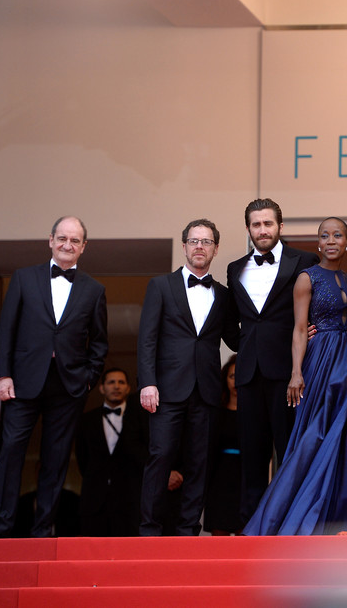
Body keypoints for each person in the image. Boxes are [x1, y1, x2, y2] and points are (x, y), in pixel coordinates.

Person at [0, 216, 108, 538]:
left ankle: (43, 530)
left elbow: (98, 342)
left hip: (68, 386)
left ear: (84, 246)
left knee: (56, 459)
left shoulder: (94, 290)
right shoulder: (24, 279)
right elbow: (7, 329)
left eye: (75, 240)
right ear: (50, 240)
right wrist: (4, 375)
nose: (68, 245)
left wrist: (88, 379)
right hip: (23, 381)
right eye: (62, 238)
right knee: (12, 451)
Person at [245, 218, 347, 535]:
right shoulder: (306, 278)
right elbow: (299, 329)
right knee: (320, 431)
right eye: (325, 235)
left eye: (338, 235)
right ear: (318, 243)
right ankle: (291, 514)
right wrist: (296, 373)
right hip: (321, 359)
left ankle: (340, 515)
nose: (331, 240)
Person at [138, 218, 237, 535]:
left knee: (200, 461)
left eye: (206, 242)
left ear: (215, 249)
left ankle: (188, 529)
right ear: (184, 246)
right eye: (194, 241)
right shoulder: (161, 286)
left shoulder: (222, 295)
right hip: (165, 389)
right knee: (161, 456)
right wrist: (147, 382)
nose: (199, 247)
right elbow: (147, 339)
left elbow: (235, 340)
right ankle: (149, 528)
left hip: (207, 391)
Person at [227, 198, 319, 525]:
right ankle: (250, 530)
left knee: (290, 453)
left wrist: (316, 335)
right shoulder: (234, 268)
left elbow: (320, 307)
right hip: (249, 375)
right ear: (249, 229)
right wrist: (248, 346)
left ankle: (292, 528)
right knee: (251, 457)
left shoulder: (305, 260)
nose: (262, 230)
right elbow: (232, 321)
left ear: (280, 226)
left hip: (289, 373)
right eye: (256, 224)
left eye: (268, 223)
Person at [74, 367, 148, 536]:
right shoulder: (86, 420)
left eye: (121, 382)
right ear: (101, 388)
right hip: (94, 501)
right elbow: (82, 459)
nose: (116, 386)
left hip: (131, 500)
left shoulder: (141, 419)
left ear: (129, 388)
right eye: (111, 382)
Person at [204, 356, 243, 535]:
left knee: (245, 530)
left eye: (240, 375)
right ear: (225, 379)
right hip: (219, 475)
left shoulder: (254, 412)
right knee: (219, 531)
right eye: (232, 376)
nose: (235, 381)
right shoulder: (216, 411)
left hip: (244, 476)